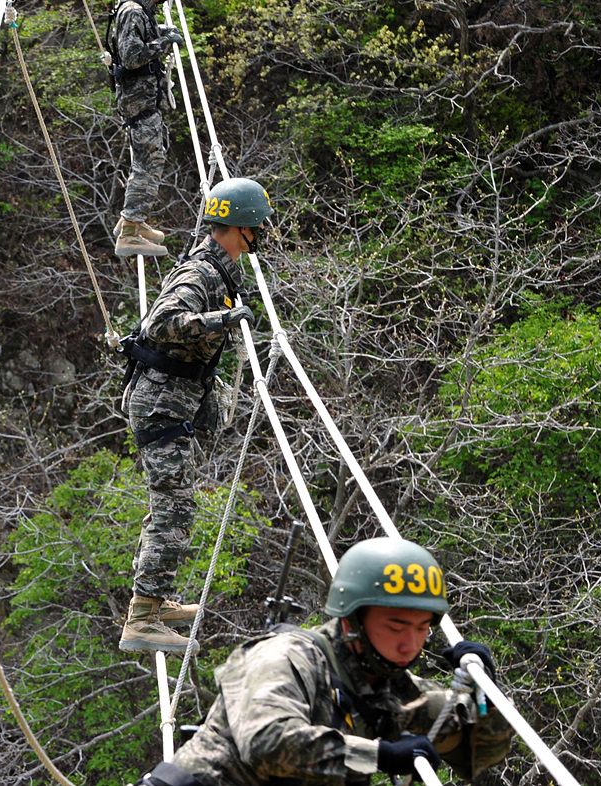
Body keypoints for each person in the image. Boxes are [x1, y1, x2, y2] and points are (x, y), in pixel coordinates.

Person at [137, 537, 515, 784]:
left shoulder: (386, 688)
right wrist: (379, 755)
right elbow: (267, 741)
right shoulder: (286, 656)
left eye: (422, 629)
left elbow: (478, 752)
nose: (409, 645)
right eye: (397, 626)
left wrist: (486, 692)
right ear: (352, 619)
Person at [119, 178, 273, 653]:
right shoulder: (199, 276)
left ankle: (155, 599)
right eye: (258, 224)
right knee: (176, 506)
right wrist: (221, 320)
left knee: (172, 502)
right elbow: (162, 323)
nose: (264, 231)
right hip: (160, 405)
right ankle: (142, 620)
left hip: (173, 402)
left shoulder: (219, 265)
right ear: (243, 227)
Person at [108, 0, 187, 257]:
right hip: (138, 102)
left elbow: (135, 43)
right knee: (150, 161)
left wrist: (161, 35)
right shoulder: (133, 11)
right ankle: (130, 229)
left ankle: (133, 222)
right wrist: (162, 44)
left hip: (139, 100)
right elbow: (131, 56)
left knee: (146, 159)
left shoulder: (139, 9)